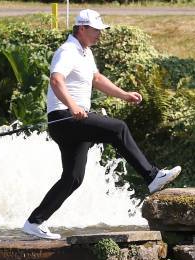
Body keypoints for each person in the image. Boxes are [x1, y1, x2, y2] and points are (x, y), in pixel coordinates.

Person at [23, 9, 181, 240]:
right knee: (118, 128)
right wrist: (73, 106)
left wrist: (124, 95)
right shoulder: (68, 51)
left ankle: (34, 222)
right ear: (82, 28)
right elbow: (56, 80)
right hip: (66, 118)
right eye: (96, 30)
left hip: (73, 120)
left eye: (100, 30)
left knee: (73, 178)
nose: (99, 34)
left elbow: (96, 79)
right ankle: (152, 176)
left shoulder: (85, 53)